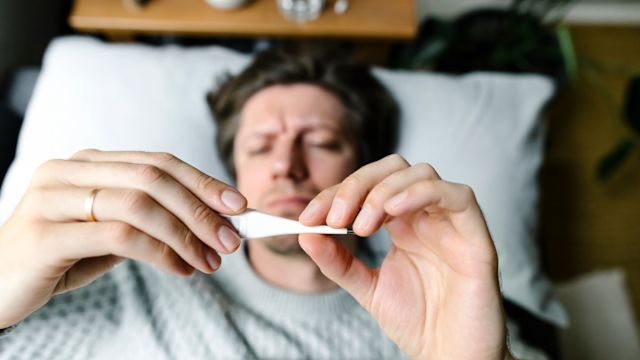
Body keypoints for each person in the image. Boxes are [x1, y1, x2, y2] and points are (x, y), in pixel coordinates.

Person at [0, 46, 516, 359]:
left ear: (363, 165)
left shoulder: (436, 301)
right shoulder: (131, 275)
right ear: (234, 171)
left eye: (320, 142)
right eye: (260, 146)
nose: (286, 165)